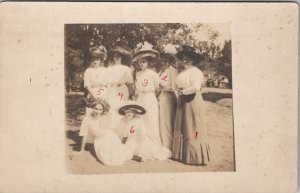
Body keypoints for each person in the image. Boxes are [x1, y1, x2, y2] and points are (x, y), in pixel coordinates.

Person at [172, 45, 211, 166]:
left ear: (193, 60)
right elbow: (176, 84)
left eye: (188, 58)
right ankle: (181, 155)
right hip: (183, 100)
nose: (185, 60)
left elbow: (196, 87)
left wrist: (183, 92)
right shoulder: (184, 72)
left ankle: (195, 156)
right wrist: (177, 90)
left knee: (194, 127)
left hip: (192, 100)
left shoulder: (196, 72)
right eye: (183, 58)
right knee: (183, 126)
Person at [71, 99, 134, 166]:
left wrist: (106, 117)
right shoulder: (86, 119)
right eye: (96, 108)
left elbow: (108, 128)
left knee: (117, 153)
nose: (97, 111)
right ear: (92, 108)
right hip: (99, 139)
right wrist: (81, 150)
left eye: (100, 110)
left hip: (110, 136)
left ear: (102, 110)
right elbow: (84, 135)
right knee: (106, 159)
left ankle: (132, 156)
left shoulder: (104, 117)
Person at [132, 41, 162, 146]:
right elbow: (137, 87)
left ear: (148, 62)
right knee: (140, 119)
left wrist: (154, 98)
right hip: (140, 98)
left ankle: (152, 143)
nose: (141, 63)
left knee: (150, 120)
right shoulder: (138, 73)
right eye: (140, 61)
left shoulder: (153, 74)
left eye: (144, 61)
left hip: (150, 98)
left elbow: (158, 89)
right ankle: (139, 143)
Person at [158, 52, 178, 151]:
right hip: (163, 96)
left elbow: (174, 87)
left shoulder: (172, 70)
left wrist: (163, 88)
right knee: (163, 120)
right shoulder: (164, 70)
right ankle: (164, 142)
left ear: (170, 60)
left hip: (169, 97)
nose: (164, 61)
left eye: (167, 59)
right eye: (163, 59)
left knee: (168, 120)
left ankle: (169, 145)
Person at [107, 46, 134, 115]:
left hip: (123, 89)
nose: (117, 58)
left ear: (121, 57)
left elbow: (130, 83)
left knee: (122, 106)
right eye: (115, 56)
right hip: (113, 90)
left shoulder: (126, 69)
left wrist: (129, 94)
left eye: (118, 56)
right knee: (113, 107)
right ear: (113, 58)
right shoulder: (109, 69)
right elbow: (108, 83)